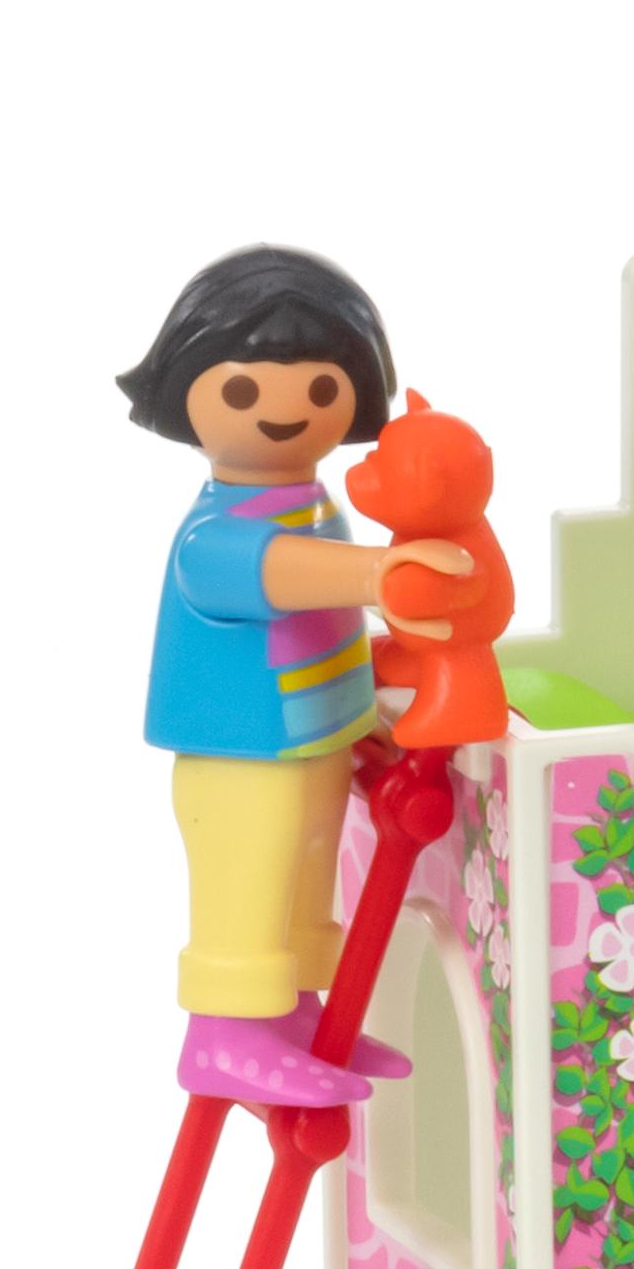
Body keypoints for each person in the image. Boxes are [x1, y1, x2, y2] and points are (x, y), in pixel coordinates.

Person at [117, 246, 474, 1103]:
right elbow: (279, 574)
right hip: (241, 757)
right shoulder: (214, 535)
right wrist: (379, 575)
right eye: (244, 391)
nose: (286, 411)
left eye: (320, 389)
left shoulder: (315, 506)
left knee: (306, 877)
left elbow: (329, 620)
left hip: (315, 742)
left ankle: (294, 1014)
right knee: (248, 880)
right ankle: (222, 1034)